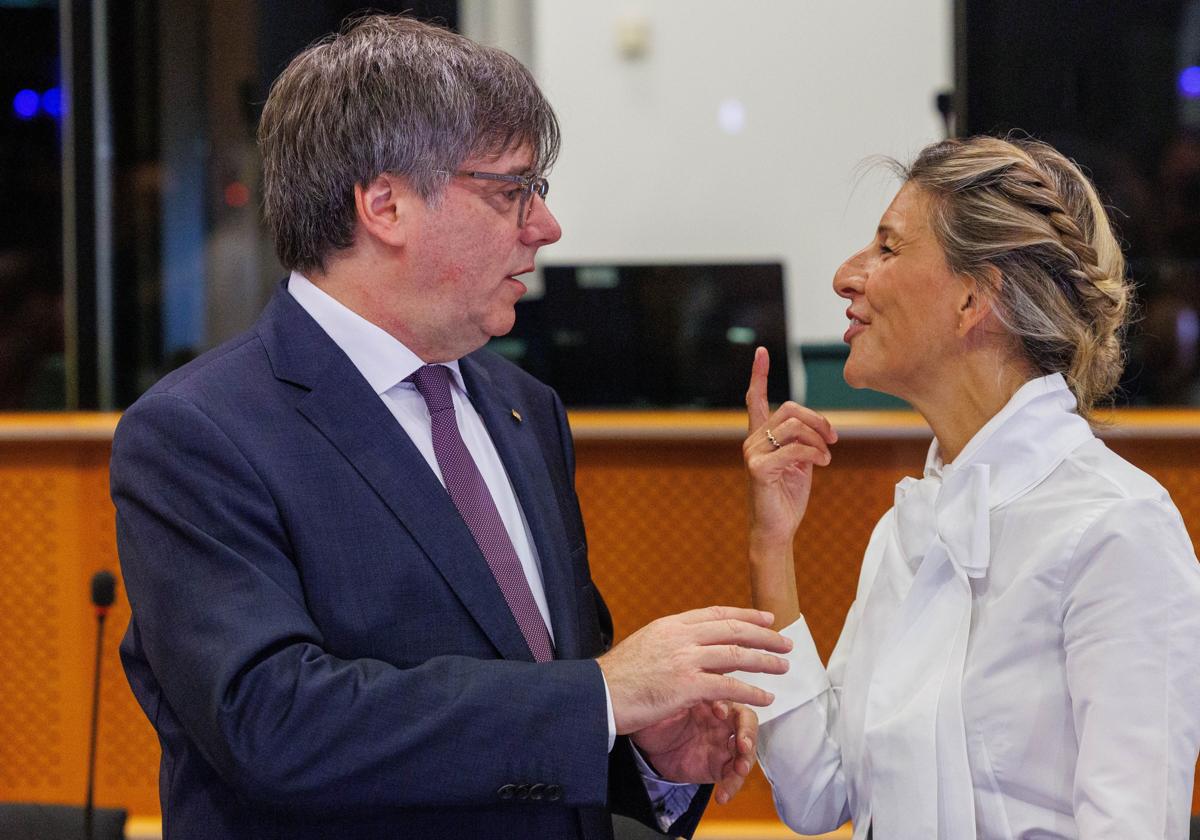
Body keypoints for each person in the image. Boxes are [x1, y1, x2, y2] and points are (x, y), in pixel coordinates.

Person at [109, 15, 794, 840]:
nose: (545, 227)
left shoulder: (522, 408)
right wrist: (603, 697)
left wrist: (640, 744)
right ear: (385, 204)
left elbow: (544, 699)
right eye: (512, 191)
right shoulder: (199, 434)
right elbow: (272, 723)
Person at [739, 136, 1200, 839]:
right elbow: (816, 794)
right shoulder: (911, 524)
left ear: (973, 297)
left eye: (888, 249)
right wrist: (772, 547)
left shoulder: (1117, 528)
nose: (845, 275)